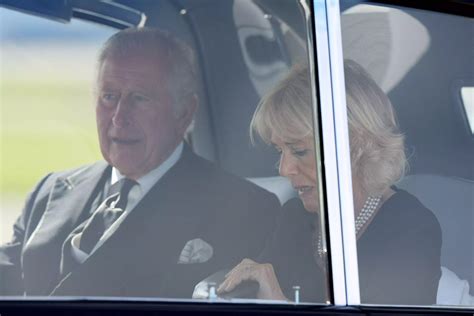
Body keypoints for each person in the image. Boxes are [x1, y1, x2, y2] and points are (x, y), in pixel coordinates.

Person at [0, 27, 280, 298]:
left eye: (139, 98)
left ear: (184, 112)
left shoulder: (245, 210)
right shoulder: (49, 191)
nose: (119, 117)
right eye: (109, 97)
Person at [217, 61, 442, 304]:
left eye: (299, 151)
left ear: (354, 146)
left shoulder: (411, 228)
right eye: (279, 150)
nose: (284, 169)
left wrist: (279, 305)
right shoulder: (293, 218)